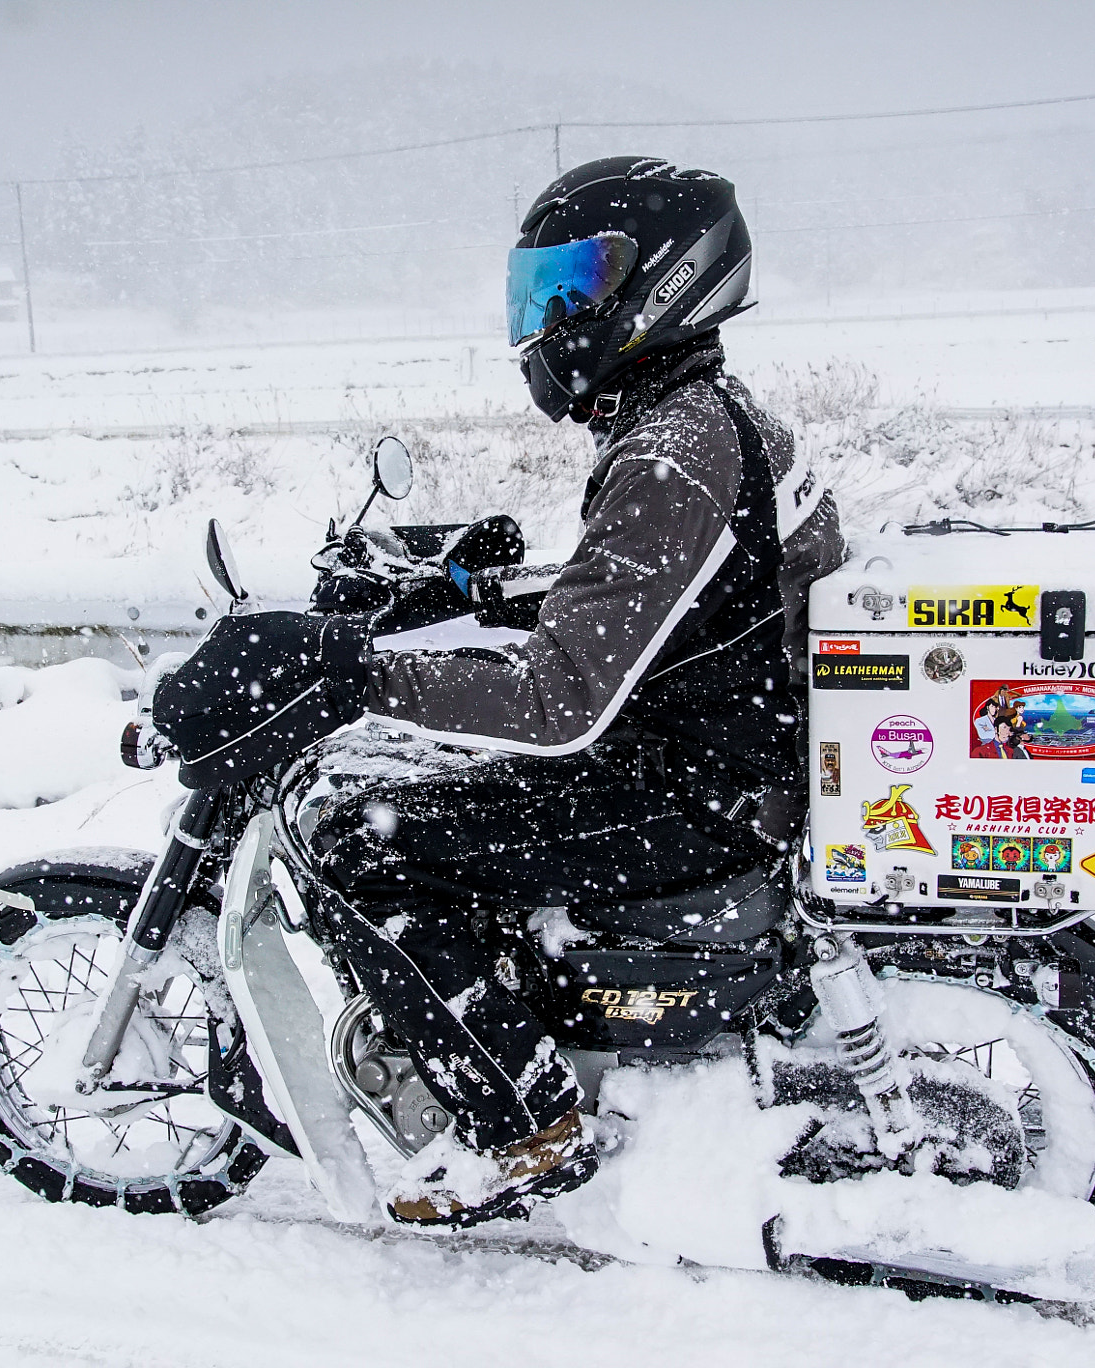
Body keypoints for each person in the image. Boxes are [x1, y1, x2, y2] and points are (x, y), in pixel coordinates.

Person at [161, 157, 847, 1226]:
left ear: (662, 282)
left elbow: (557, 701)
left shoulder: (674, 456)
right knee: (435, 796)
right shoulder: (694, 420)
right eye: (542, 289)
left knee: (356, 838)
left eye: (574, 285)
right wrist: (471, 589)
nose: (549, 318)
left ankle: (521, 1128)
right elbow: (652, 611)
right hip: (709, 753)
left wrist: (347, 670)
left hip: (683, 789)